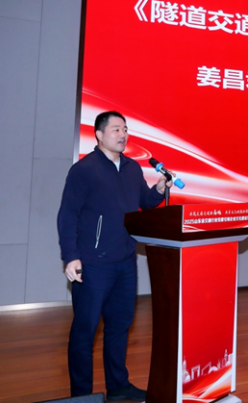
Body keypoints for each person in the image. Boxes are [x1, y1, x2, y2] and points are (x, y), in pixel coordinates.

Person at [57, 111, 171, 401]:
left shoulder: (132, 168)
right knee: (85, 333)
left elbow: (144, 203)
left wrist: (159, 190)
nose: (123, 135)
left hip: (125, 262)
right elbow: (67, 215)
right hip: (92, 265)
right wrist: (71, 256)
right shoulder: (84, 170)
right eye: (116, 129)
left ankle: (118, 387)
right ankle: (81, 395)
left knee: (120, 327)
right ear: (99, 134)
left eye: (125, 129)